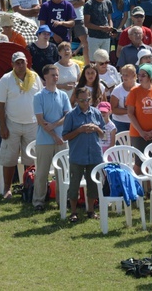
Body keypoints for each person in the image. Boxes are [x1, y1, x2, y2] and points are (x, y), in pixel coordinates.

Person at [0, 51, 43, 200]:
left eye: (22, 62)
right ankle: (7, 189)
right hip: (12, 124)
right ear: (12, 64)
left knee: (30, 159)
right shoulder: (6, 79)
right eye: (17, 62)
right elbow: (0, 104)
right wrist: (3, 126)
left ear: (27, 63)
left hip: (32, 123)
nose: (20, 65)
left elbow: (41, 100)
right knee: (9, 158)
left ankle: (29, 188)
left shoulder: (35, 78)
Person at [62, 86, 104, 222]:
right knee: (74, 184)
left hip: (94, 155)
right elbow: (65, 136)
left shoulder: (96, 113)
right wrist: (79, 130)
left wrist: (96, 128)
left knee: (93, 184)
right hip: (77, 155)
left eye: (87, 100)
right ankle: (73, 211)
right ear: (76, 100)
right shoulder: (71, 116)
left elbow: (103, 134)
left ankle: (91, 210)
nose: (85, 103)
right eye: (82, 100)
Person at [32, 64, 71, 210]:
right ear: (46, 77)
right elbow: (41, 120)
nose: (56, 77)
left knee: (61, 172)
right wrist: (54, 135)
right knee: (42, 173)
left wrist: (54, 126)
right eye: (53, 75)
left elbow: (67, 115)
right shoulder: (38, 97)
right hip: (44, 141)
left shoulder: (63, 95)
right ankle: (38, 201)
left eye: (57, 74)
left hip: (61, 139)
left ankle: (62, 200)